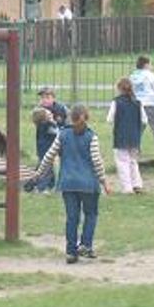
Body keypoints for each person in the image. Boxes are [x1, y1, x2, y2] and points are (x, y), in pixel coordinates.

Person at [29, 103, 110, 263]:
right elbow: (96, 161)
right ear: (87, 117)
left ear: (70, 118)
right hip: (88, 184)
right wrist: (103, 180)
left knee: (72, 217)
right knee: (91, 214)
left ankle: (71, 252)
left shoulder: (62, 135)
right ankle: (85, 245)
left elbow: (49, 156)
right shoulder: (91, 136)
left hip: (68, 183)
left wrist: (38, 175)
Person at [107, 77, 148, 194]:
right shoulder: (138, 103)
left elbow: (109, 119)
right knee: (133, 161)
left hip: (121, 136)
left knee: (122, 162)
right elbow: (144, 120)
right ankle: (137, 184)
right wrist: (138, 131)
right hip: (135, 136)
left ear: (119, 89)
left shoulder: (116, 102)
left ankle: (127, 188)